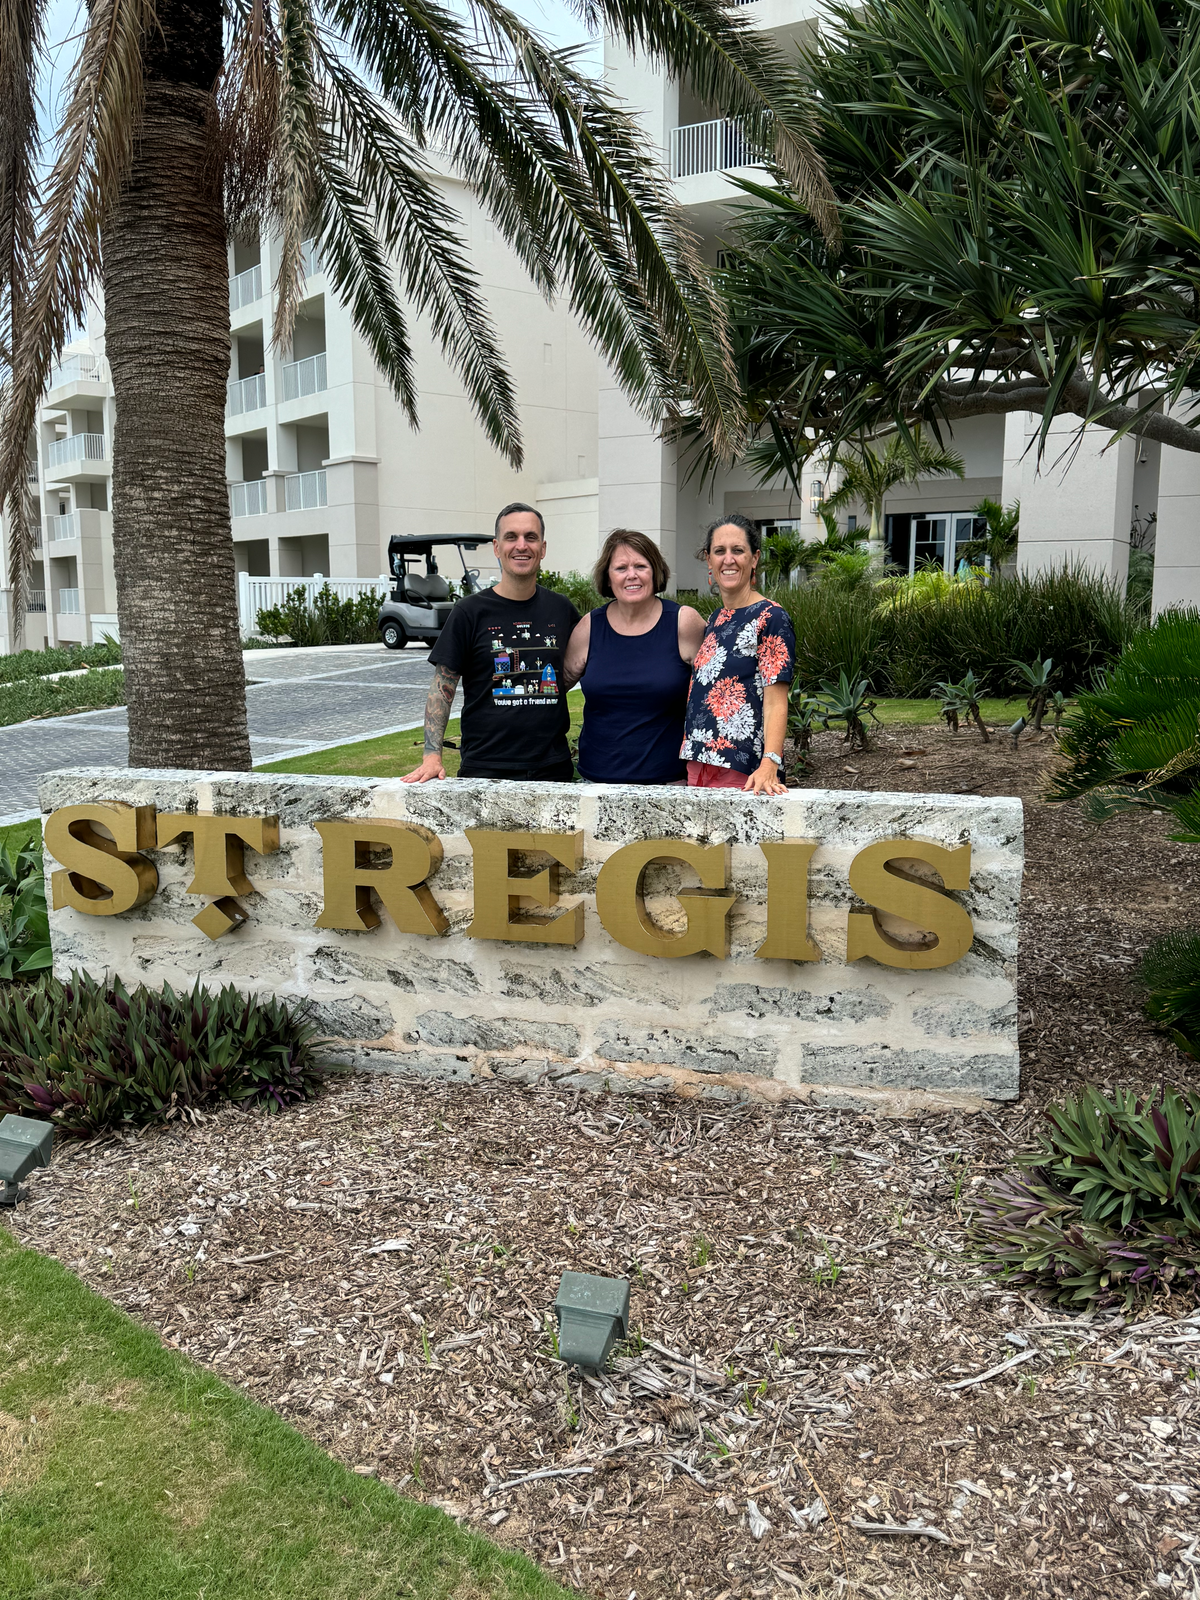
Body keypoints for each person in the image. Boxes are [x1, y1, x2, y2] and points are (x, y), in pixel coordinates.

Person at [402, 503, 580, 783]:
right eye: (511, 537)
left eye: (530, 537)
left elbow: (577, 669)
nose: (521, 545)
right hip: (485, 767)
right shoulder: (469, 612)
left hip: (552, 767)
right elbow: (442, 687)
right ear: (497, 548)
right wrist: (432, 755)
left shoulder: (562, 610)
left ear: (542, 548)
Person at [563, 530, 706, 784]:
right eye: (621, 568)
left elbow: (719, 692)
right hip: (596, 783)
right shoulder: (589, 627)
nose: (632, 575)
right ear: (608, 577)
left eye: (641, 565)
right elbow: (555, 687)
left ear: (655, 571)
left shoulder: (684, 623)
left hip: (668, 785)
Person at [681, 513, 795, 795]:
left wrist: (771, 763)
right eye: (719, 551)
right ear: (709, 560)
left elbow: (776, 701)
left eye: (738, 551)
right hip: (698, 764)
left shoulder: (771, 617)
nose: (728, 559)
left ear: (754, 558)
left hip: (743, 771)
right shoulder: (716, 618)